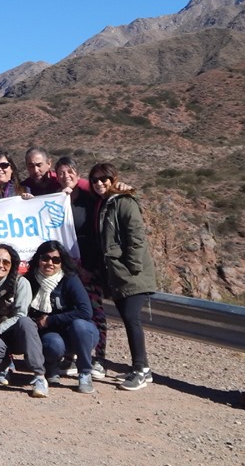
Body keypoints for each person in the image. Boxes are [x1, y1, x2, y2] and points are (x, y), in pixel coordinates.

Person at [89, 162, 157, 391]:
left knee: (131, 318)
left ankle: (140, 370)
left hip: (130, 274)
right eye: (95, 180)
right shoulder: (104, 203)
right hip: (117, 274)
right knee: (129, 319)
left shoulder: (124, 202)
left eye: (104, 179)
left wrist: (132, 267)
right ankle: (142, 368)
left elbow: (136, 237)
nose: (99, 183)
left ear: (113, 179)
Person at [0, 243, 49, 397]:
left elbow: (20, 315)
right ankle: (4, 368)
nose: (0, 265)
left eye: (6, 262)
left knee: (26, 322)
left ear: (12, 265)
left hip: (17, 335)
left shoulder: (21, 283)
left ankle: (40, 377)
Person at [56, 156, 107, 378]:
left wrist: (89, 267)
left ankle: (99, 358)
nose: (66, 176)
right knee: (68, 310)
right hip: (65, 269)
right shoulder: (56, 200)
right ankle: (71, 355)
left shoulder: (90, 199)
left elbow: (96, 234)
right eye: (61, 173)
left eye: (70, 172)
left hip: (89, 266)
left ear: (78, 174)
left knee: (95, 311)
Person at [26, 240, 99, 394]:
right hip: (50, 334)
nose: (50, 263)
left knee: (80, 325)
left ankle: (85, 373)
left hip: (78, 334)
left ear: (62, 262)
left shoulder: (70, 279)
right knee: (52, 343)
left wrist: (50, 319)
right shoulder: (29, 281)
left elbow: (86, 312)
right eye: (45, 258)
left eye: (56, 260)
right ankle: (52, 368)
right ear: (38, 259)